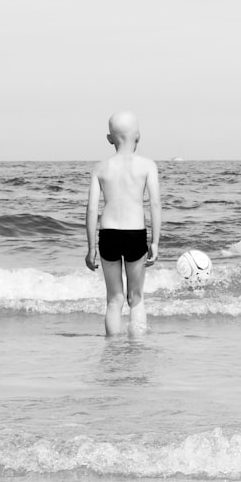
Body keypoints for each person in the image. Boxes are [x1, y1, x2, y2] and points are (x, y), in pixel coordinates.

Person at [85, 111, 162, 337]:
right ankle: (137, 348)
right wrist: (155, 242)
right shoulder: (147, 165)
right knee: (136, 298)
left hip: (108, 234)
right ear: (138, 137)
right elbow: (155, 204)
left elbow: (91, 209)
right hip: (135, 233)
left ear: (110, 138)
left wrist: (91, 247)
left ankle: (112, 349)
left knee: (114, 299)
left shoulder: (100, 168)